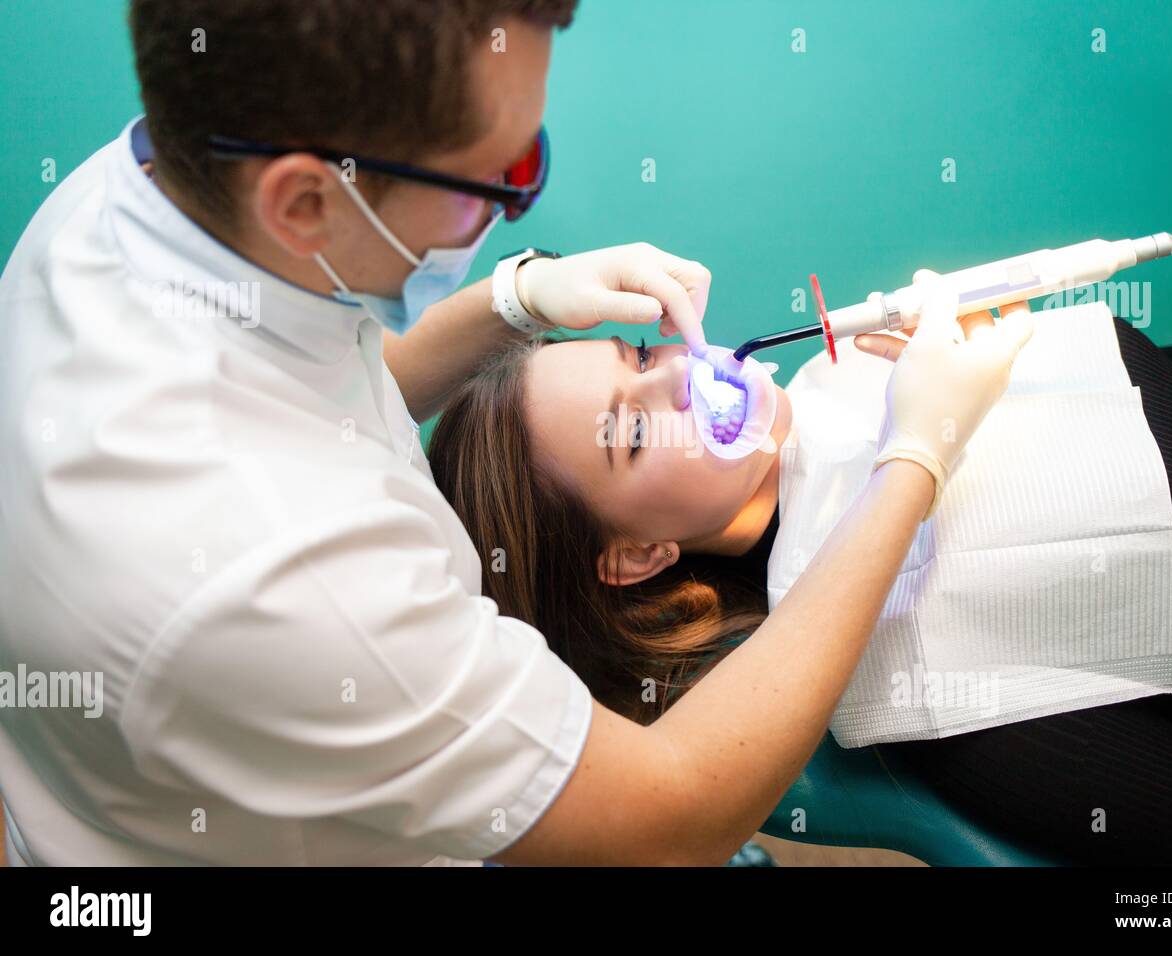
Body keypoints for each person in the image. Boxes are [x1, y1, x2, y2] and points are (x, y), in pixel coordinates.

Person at [0, 0, 1030, 866]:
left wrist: (516, 299)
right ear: (307, 198)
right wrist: (915, 458)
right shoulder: (274, 580)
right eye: (504, 178)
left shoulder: (152, 184)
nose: (512, 212)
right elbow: (671, 816)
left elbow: (322, 397)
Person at [427, 299, 1172, 865]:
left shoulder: (853, 377)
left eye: (645, 355)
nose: (685, 383)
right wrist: (922, 445)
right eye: (635, 431)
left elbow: (1136, 399)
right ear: (636, 556)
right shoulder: (914, 672)